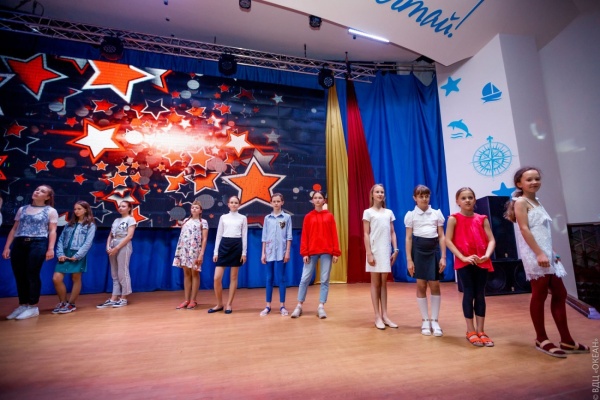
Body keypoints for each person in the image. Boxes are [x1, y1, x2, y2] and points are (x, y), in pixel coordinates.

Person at [505, 166, 589, 357]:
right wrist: (539, 253)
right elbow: (525, 230)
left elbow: (542, 232)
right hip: (535, 255)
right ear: (519, 183)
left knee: (560, 293)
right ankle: (541, 338)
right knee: (540, 294)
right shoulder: (521, 202)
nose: (534, 182)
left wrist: (551, 251)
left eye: (537, 178)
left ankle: (567, 340)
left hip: (546, 253)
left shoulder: (537, 201)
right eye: (529, 179)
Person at [445, 187, 496, 347]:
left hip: (481, 260)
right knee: (469, 293)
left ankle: (481, 330)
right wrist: (463, 257)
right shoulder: (453, 219)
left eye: (470, 197)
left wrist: (486, 255)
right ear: (457, 201)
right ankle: (470, 330)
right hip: (464, 261)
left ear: (474, 200)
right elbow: (448, 240)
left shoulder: (482, 219)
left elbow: (491, 240)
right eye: (463, 198)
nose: (467, 200)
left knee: (480, 294)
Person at [3, 185, 58, 320]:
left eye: (42, 191)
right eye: (37, 189)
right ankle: (23, 304)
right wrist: (7, 247)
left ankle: (32, 306)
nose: (37, 192)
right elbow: (14, 229)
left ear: (47, 197)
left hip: (38, 243)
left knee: (32, 273)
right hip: (19, 242)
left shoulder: (50, 211)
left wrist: (50, 248)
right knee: (19, 274)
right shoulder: (22, 209)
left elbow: (52, 231)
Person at [404, 185, 446, 336]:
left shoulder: (436, 213)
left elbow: (441, 236)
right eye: (421, 196)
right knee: (421, 285)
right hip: (418, 251)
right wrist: (409, 259)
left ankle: (435, 320)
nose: (424, 199)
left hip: (433, 251)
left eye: (427, 196)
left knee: (435, 285)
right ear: (415, 198)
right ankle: (425, 320)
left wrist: (443, 256)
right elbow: (408, 238)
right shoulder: (410, 215)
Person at [291, 191, 341, 319]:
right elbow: (305, 236)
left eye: (320, 198)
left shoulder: (329, 216)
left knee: (324, 279)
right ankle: (299, 305)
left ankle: (321, 306)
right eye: (315, 198)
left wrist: (335, 252)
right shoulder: (308, 217)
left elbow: (334, 234)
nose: (318, 200)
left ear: (324, 200)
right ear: (312, 201)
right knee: (304, 279)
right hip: (311, 252)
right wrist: (304, 253)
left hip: (326, 251)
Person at [364, 184, 399, 330]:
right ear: (372, 194)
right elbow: (366, 233)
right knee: (375, 283)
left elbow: (392, 232)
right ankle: (377, 316)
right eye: (377, 192)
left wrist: (395, 249)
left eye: (382, 192)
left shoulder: (389, 212)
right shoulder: (368, 212)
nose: (380, 194)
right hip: (374, 250)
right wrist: (369, 253)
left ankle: (385, 315)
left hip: (385, 250)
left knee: (384, 283)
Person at [52, 201, 96, 314]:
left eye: (79, 209)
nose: (76, 211)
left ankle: (71, 304)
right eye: (75, 209)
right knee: (56, 278)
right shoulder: (69, 224)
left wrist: (77, 256)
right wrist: (60, 254)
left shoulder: (90, 225)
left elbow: (88, 243)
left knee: (76, 278)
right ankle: (63, 302)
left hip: (78, 254)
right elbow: (61, 239)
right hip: (65, 253)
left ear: (86, 210)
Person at [209, 195, 247, 314]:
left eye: (236, 202)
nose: (234, 204)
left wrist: (244, 253)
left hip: (236, 246)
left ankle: (229, 304)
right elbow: (219, 235)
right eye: (232, 202)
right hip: (224, 246)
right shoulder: (223, 217)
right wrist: (216, 252)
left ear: (239, 205)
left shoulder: (243, 218)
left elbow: (244, 236)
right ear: (228, 204)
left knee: (233, 277)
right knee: (217, 278)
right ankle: (219, 304)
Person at [97, 201, 137, 309]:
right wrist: (108, 246)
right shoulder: (116, 220)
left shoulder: (131, 219)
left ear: (129, 208)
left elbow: (129, 236)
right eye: (119, 206)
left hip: (123, 245)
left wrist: (117, 248)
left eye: (123, 206)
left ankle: (123, 298)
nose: (120, 208)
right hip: (113, 244)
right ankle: (113, 298)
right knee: (114, 273)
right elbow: (110, 235)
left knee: (122, 272)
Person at [260, 193, 292, 316]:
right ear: (271, 203)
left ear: (282, 202)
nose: (276, 203)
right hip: (269, 252)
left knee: (281, 278)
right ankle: (268, 306)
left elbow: (289, 236)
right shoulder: (267, 218)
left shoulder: (287, 217)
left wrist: (287, 251)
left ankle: (282, 305)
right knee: (269, 278)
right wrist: (263, 253)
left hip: (281, 252)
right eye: (274, 201)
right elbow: (264, 237)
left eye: (278, 201)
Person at [173, 200, 208, 310]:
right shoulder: (186, 220)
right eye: (193, 207)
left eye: (197, 208)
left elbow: (204, 239)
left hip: (195, 250)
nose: (194, 209)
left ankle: (193, 300)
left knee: (194, 273)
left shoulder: (203, 222)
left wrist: (201, 254)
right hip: (184, 250)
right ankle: (186, 300)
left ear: (200, 210)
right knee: (186, 274)